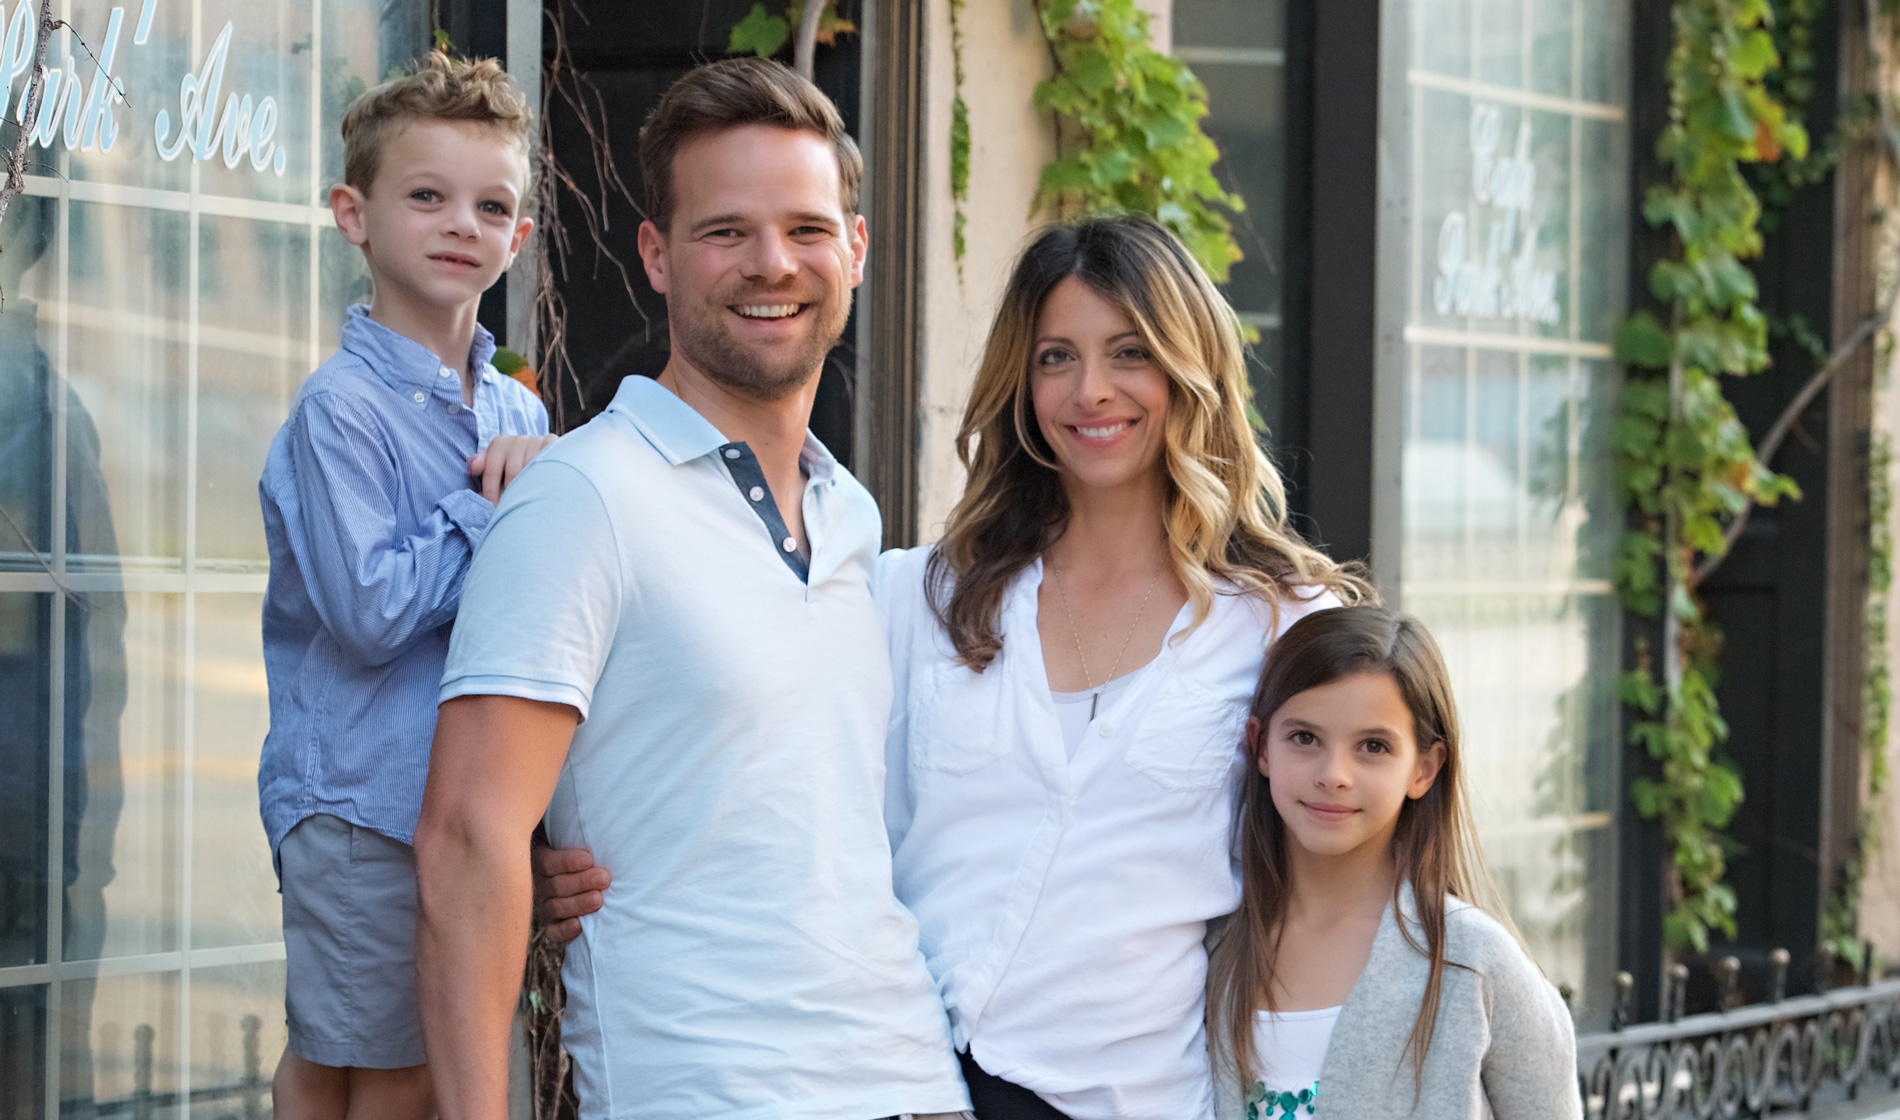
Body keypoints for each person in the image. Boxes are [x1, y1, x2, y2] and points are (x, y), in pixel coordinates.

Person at [539, 214, 1372, 1120]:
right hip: (894, 1084)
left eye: (1129, 353)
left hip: (1128, 1097)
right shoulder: (918, 596)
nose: (1091, 392)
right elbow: (736, 725)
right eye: (1056, 357)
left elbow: (1350, 884)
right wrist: (557, 847)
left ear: (1188, 368)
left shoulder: (1281, 625)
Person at [412, 58, 970, 1120]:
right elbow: (465, 842)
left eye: (807, 229)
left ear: (854, 248)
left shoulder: (850, 515)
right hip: (705, 1086)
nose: (772, 264)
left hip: (912, 1079)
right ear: (658, 256)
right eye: (726, 232)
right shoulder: (584, 497)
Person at [255, 51, 553, 1120]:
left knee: (421, 1054)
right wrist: (496, 511)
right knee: (383, 1066)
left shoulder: (519, 415)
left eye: (491, 206)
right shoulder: (339, 411)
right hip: (360, 804)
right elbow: (373, 610)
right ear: (355, 213)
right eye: (425, 196)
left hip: (469, 806)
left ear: (516, 239)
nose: (459, 223)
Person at [1206, 606, 1579, 1119]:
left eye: (1373, 746)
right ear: (1261, 746)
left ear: (1424, 769)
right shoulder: (1215, 948)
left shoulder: (1474, 962)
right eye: (1304, 738)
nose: (1334, 774)